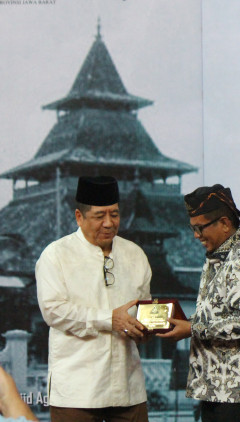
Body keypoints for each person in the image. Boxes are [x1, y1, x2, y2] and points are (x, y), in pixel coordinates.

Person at [35, 176, 152, 422]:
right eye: (100, 216)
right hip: (78, 392)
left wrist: (145, 328)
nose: (109, 223)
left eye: (114, 214)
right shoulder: (56, 255)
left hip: (128, 388)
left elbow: (143, 307)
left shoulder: (135, 254)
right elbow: (53, 311)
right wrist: (109, 319)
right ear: (79, 217)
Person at [159, 184, 240, 422]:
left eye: (200, 228)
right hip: (220, 390)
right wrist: (184, 322)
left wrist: (192, 328)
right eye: (192, 228)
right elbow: (219, 315)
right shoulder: (221, 256)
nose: (196, 235)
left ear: (224, 223)